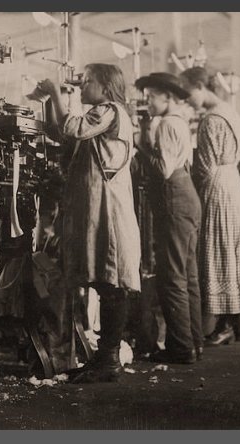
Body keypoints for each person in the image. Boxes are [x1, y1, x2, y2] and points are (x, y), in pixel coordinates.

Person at [37, 64, 141, 383]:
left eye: (88, 82)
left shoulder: (108, 110)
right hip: (98, 206)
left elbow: (74, 129)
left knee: (110, 280)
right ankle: (103, 357)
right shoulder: (105, 113)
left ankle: (108, 359)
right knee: (102, 277)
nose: (82, 87)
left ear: (106, 87)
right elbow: (64, 131)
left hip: (107, 207)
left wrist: (56, 92)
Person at [179, 67, 240, 345]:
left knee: (217, 249)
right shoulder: (231, 112)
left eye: (187, 93)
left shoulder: (211, 120)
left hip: (217, 186)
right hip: (232, 183)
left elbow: (203, 168)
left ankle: (223, 325)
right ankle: (235, 321)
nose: (186, 100)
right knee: (232, 250)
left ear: (200, 87)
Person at [134, 73, 203, 364]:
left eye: (151, 97)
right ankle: (193, 343)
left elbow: (162, 169)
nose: (146, 102)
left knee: (172, 276)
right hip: (186, 196)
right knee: (188, 276)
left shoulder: (165, 124)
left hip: (174, 197)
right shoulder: (179, 122)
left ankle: (180, 348)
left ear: (167, 98)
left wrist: (140, 145)